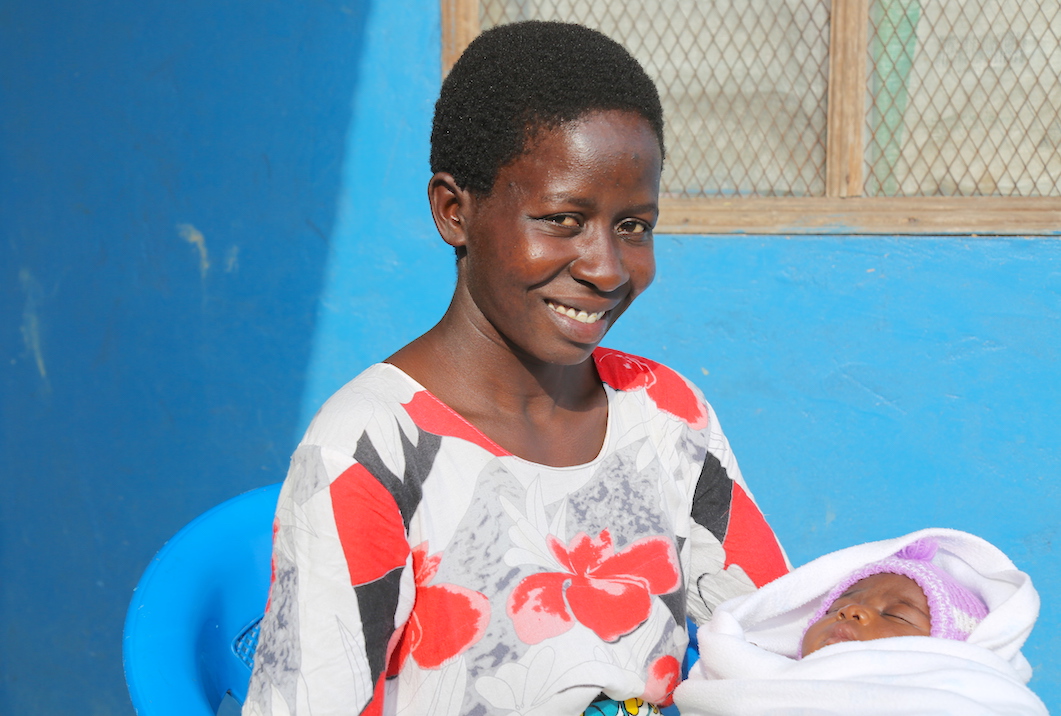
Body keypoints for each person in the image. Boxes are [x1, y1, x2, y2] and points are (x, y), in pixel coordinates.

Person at [243, 20, 788, 716]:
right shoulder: (370, 449)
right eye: (562, 219)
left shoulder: (664, 413)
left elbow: (771, 635)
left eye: (634, 226)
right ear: (453, 211)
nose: (606, 267)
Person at [673, 528, 1048, 715]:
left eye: (897, 614)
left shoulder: (968, 697)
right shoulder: (758, 682)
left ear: (946, 651)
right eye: (841, 604)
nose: (853, 611)